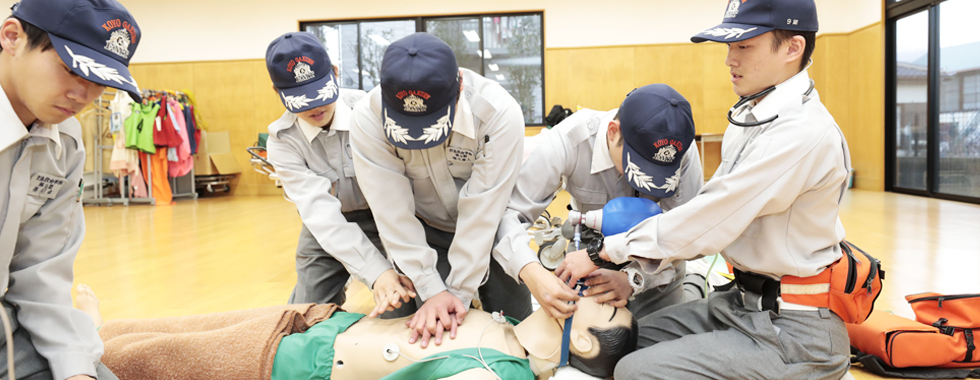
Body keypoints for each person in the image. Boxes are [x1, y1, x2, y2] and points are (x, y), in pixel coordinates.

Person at [558, 0, 854, 379]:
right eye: (729, 46)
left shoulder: (803, 133)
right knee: (622, 340)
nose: (730, 59)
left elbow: (710, 220)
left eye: (744, 46)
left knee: (636, 371)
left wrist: (604, 254)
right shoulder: (752, 116)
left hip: (793, 330)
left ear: (793, 48)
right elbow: (702, 217)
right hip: (740, 303)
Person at [350, 32, 532, 347]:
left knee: (518, 331)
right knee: (413, 339)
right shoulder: (368, 117)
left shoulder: (498, 113)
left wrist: (457, 296)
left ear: (459, 87)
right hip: (421, 230)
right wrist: (432, 290)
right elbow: (391, 210)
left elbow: (482, 210)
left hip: (489, 230)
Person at [77, 284, 637, 380]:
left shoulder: (501, 371)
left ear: (581, 342)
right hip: (312, 320)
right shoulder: (512, 328)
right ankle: (80, 331)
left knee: (131, 359)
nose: (593, 294)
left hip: (288, 364)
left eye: (604, 308)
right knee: (127, 329)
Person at [0, 0, 142, 378]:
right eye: (70, 69)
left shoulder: (67, 140)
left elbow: (41, 271)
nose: (83, 95)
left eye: (100, 81)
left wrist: (76, 367)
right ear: (12, 37)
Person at [495, 84, 703, 320]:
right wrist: (533, 274)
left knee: (656, 342)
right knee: (588, 341)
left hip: (657, 257)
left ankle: (696, 281)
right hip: (588, 249)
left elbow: (686, 232)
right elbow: (510, 214)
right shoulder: (570, 141)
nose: (645, 185)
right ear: (613, 132)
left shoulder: (678, 150)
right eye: (636, 168)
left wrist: (634, 279)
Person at [264, 31, 415, 319]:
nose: (313, 107)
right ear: (277, 92)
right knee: (305, 316)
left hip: (391, 216)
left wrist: (389, 272)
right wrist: (376, 271)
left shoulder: (373, 111)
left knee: (402, 310)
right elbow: (322, 217)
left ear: (334, 72)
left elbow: (399, 193)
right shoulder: (283, 141)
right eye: (300, 100)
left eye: (318, 94)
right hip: (329, 223)